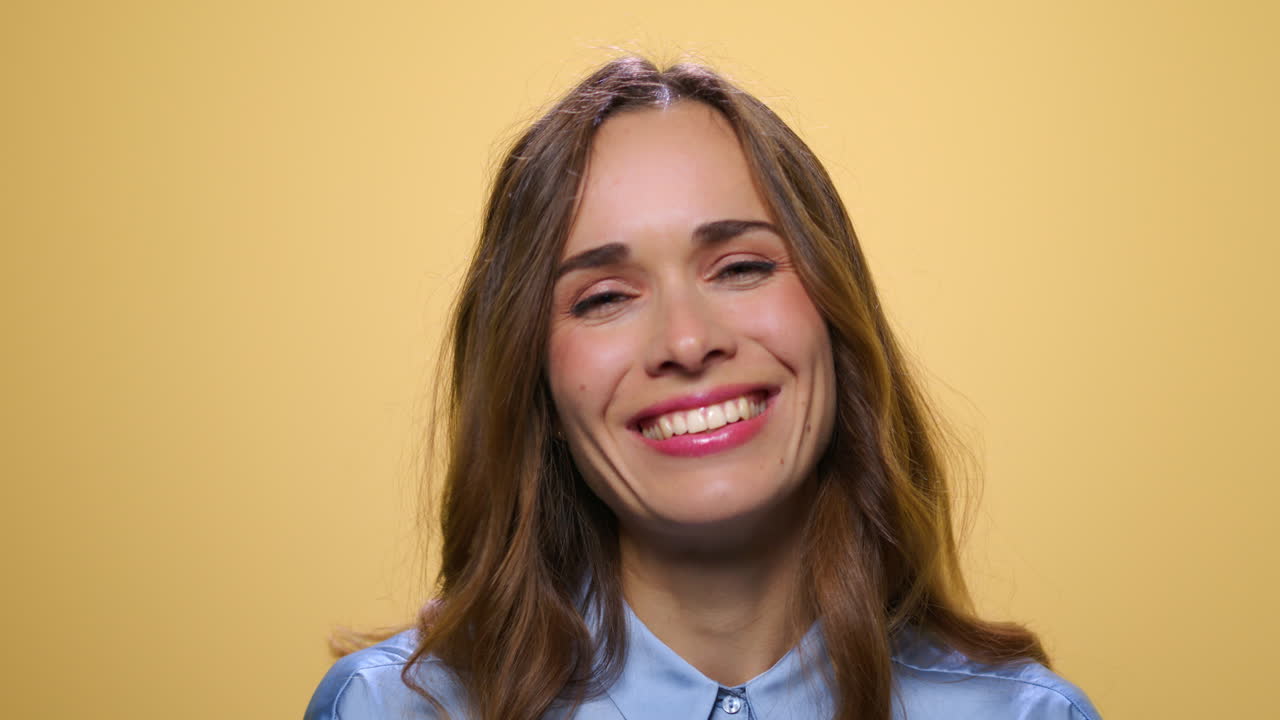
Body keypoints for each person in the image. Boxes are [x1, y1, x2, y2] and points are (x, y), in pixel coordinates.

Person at [304, 56, 1100, 720]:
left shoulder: (1026, 715)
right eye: (605, 297)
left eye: (743, 267)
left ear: (835, 315)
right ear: (534, 384)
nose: (687, 342)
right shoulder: (394, 707)